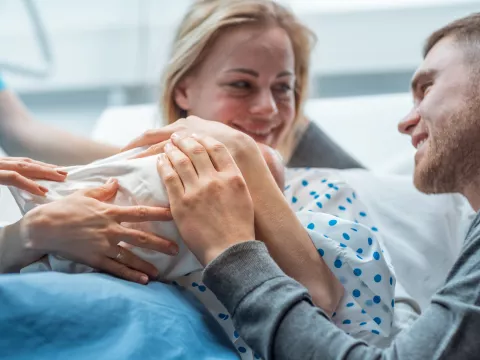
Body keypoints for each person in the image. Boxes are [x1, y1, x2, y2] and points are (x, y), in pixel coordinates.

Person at [135, 12, 480, 359]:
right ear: (183, 90)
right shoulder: (125, 186)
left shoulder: (326, 190)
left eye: (284, 88)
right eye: (241, 84)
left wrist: (234, 242)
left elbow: (355, 311)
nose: (268, 109)